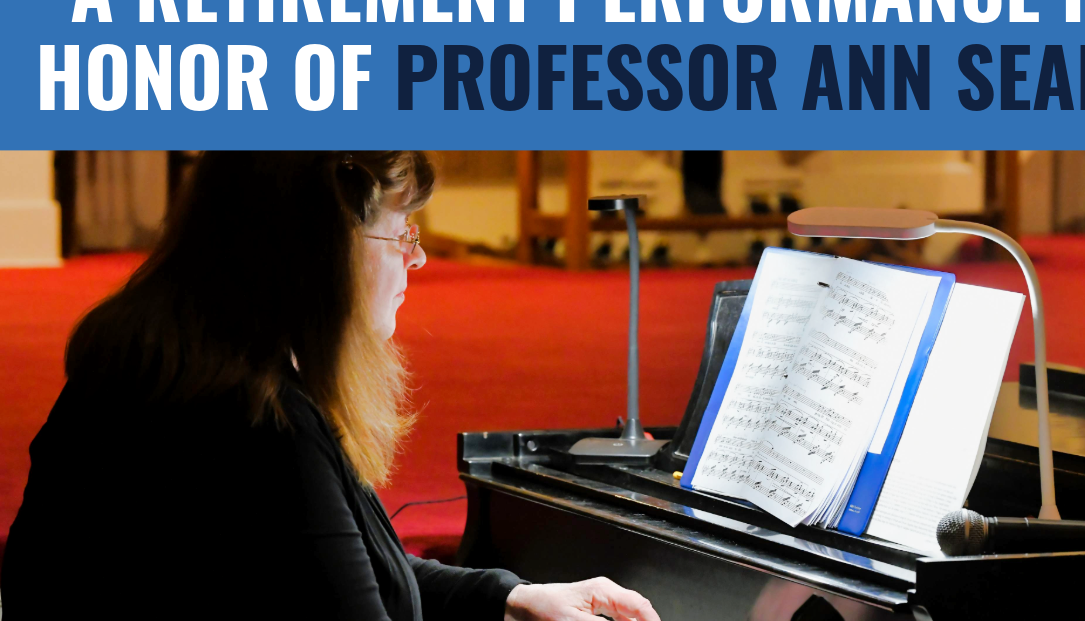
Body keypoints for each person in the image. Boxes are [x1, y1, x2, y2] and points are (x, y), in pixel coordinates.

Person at [1, 152, 660, 621]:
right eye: (401, 232)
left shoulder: (180, 359)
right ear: (324, 246)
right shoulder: (254, 424)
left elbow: (337, 569)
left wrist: (508, 597)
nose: (418, 257)